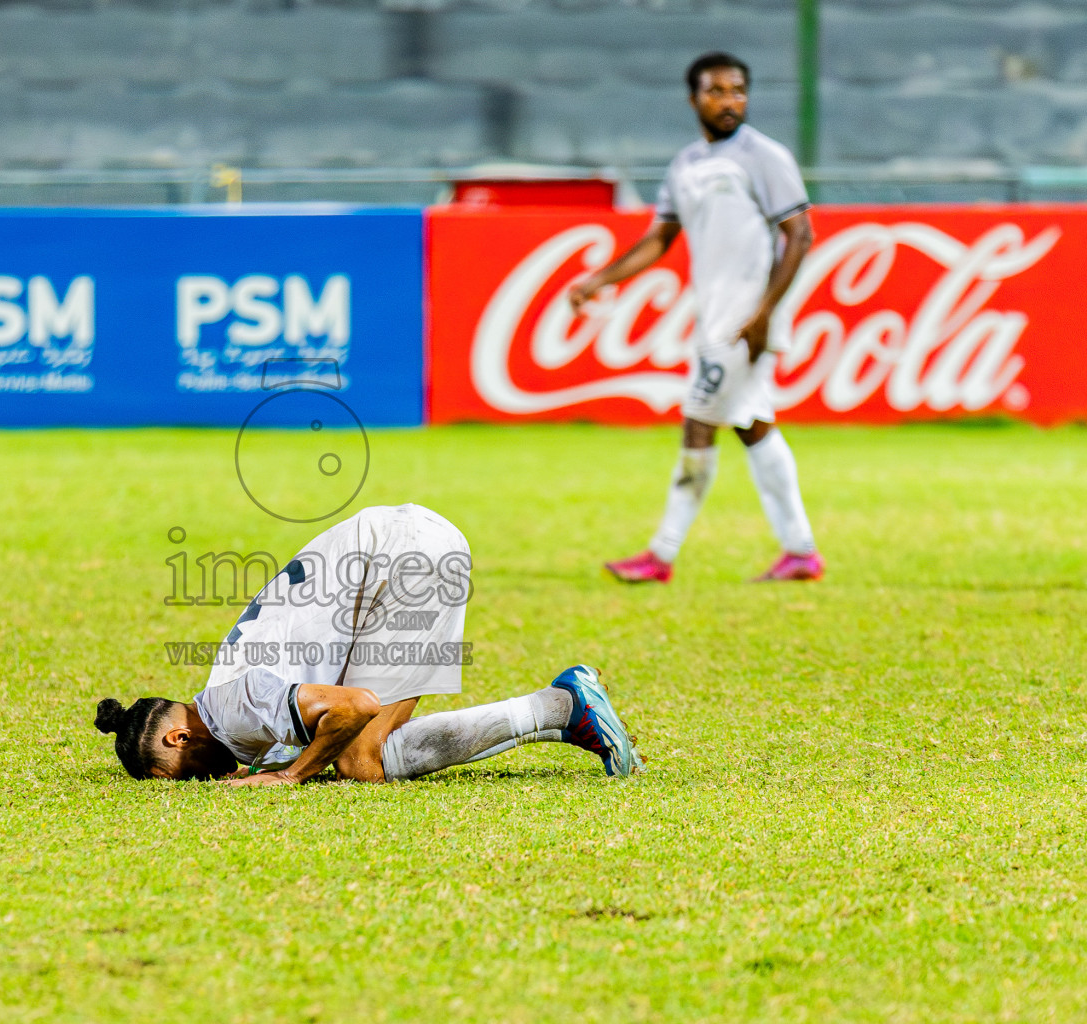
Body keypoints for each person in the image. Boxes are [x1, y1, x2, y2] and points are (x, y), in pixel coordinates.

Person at [94, 504, 640, 785]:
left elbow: (357, 705)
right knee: (352, 751)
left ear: (178, 738)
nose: (196, 784)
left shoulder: (236, 706)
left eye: (178, 776)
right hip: (397, 548)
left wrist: (291, 775)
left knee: (360, 761)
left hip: (403, 559)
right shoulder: (224, 698)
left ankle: (562, 707)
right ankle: (563, 715)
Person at [568, 51, 825, 584]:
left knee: (698, 423)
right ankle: (801, 551)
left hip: (745, 323)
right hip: (715, 320)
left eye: (738, 91)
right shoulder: (685, 165)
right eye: (716, 91)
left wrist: (764, 313)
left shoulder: (764, 156)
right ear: (693, 99)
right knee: (753, 426)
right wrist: (599, 280)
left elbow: (800, 235)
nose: (729, 101)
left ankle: (660, 556)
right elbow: (659, 238)